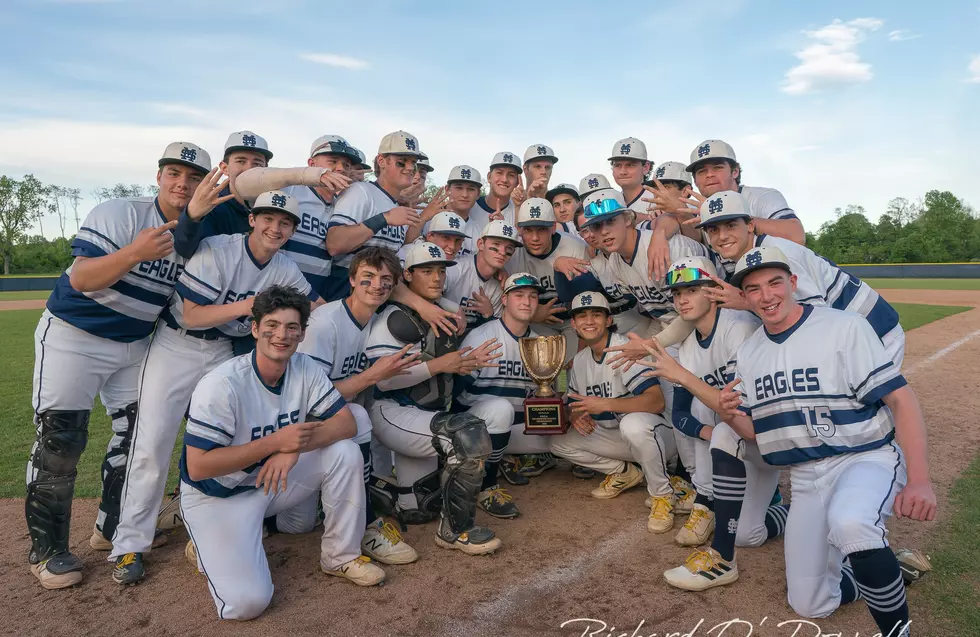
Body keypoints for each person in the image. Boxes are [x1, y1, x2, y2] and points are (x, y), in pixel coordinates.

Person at [697, 246, 934, 636]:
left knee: (851, 523)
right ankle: (889, 568)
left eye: (775, 282)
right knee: (810, 603)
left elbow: (900, 399)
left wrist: (920, 481)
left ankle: (897, 631)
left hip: (866, 458)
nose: (767, 295)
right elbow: (758, 433)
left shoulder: (843, 326)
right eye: (754, 288)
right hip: (806, 478)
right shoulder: (751, 352)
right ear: (745, 297)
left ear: (793, 283)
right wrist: (728, 414)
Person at [110, 190, 319, 584]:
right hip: (178, 347)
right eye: (268, 218)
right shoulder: (219, 248)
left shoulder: (286, 267)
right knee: (152, 443)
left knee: (231, 443)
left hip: (226, 352)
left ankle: (219, 525)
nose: (276, 227)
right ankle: (129, 546)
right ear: (252, 220)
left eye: (285, 222)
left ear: (292, 229)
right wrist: (249, 306)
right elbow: (191, 315)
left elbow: (317, 309)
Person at [26, 141, 209, 589]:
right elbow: (83, 277)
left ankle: (110, 528)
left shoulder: (196, 235)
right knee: (61, 440)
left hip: (133, 345)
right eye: (174, 173)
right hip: (75, 336)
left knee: (137, 438)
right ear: (159, 176)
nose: (182, 183)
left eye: (194, 177)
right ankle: (47, 551)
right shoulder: (120, 213)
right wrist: (134, 253)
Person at [181, 286, 385, 620]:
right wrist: (277, 443)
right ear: (256, 328)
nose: (282, 334)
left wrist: (292, 447)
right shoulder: (222, 383)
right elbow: (199, 466)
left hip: (267, 482)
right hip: (218, 496)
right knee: (248, 604)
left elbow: (346, 424)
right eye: (272, 325)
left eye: (292, 327)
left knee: (345, 452)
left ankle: (340, 556)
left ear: (303, 334)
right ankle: (205, 542)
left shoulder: (304, 367)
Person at [636, 257, 789, 588]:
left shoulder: (738, 327)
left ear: (712, 291)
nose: (683, 300)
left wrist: (683, 377)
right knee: (748, 535)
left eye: (692, 289)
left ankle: (710, 509)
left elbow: (737, 406)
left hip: (766, 435)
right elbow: (679, 416)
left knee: (718, 415)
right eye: (677, 294)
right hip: (729, 439)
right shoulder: (687, 342)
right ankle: (778, 509)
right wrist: (707, 433)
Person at [364, 242, 504, 555]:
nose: (436, 277)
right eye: (427, 270)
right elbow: (382, 382)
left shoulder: (449, 311)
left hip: (426, 415)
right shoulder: (392, 318)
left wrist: (466, 360)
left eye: (441, 270)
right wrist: (442, 364)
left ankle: (381, 488)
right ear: (408, 276)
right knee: (467, 435)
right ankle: (455, 531)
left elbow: (454, 329)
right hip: (393, 413)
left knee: (419, 509)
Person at [296, 247, 421, 566]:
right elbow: (310, 399)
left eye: (385, 280)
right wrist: (371, 376)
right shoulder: (325, 322)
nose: (376, 285)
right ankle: (218, 527)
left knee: (359, 417)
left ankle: (364, 522)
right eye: (367, 277)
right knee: (295, 524)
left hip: (339, 427)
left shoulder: (379, 321)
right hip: (300, 428)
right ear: (351, 279)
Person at [695, 191, 904, 366]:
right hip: (848, 331)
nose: (722, 236)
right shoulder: (747, 256)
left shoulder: (778, 253)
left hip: (874, 331)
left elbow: (814, 319)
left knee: (860, 409)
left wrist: (745, 302)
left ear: (750, 225)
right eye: (713, 230)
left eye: (730, 225)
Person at [550, 293, 678, 534]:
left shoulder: (625, 349)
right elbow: (575, 404)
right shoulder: (579, 361)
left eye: (596, 315)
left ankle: (663, 495)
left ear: (608, 320)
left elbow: (656, 402)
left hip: (660, 436)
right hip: (620, 437)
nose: (589, 321)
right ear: (574, 324)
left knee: (634, 424)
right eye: (582, 316)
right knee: (558, 442)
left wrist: (605, 404)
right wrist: (574, 415)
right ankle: (624, 472)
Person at [454, 273, 555, 518]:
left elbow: (538, 395)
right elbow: (456, 393)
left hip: (510, 428)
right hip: (473, 427)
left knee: (561, 436)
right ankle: (486, 486)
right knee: (500, 409)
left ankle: (503, 459)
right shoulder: (482, 336)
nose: (526, 301)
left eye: (533, 297)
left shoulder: (539, 343)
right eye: (519, 295)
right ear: (505, 299)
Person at [217, 134, 356, 302]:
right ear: (312, 164)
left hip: (314, 294)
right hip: (270, 290)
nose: (340, 168)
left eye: (346, 165)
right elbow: (243, 182)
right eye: (333, 161)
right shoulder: (290, 189)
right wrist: (311, 175)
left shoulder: (344, 206)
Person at [324, 131, 425, 301]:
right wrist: (384, 218)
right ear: (382, 161)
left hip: (378, 299)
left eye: (413, 163)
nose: (409, 168)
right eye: (401, 162)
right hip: (343, 297)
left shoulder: (398, 206)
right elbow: (334, 243)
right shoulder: (361, 191)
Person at [172, 131, 273, 258]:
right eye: (241, 161)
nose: (249, 169)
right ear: (225, 168)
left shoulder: (273, 204)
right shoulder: (212, 204)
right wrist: (193, 217)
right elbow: (186, 250)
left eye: (257, 163)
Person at [686, 139, 803, 244]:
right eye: (702, 171)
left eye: (718, 167)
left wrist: (724, 214)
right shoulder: (695, 209)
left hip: (774, 266)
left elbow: (797, 236)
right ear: (695, 181)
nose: (709, 174)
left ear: (735, 171)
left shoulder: (761, 197)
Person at [443, 220, 521, 330]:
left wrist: (488, 315)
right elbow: (427, 296)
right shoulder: (456, 267)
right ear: (480, 244)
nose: (502, 252)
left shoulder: (502, 285)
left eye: (509, 248)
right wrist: (454, 308)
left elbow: (497, 331)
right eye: (496, 245)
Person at [469, 151, 523, 228]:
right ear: (489, 177)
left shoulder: (520, 211)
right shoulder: (470, 207)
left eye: (511, 175)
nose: (504, 179)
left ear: (517, 182)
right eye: (499, 173)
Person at [609, 137, 653, 220]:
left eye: (630, 165)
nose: (623, 172)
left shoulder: (658, 199)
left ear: (646, 167)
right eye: (617, 165)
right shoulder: (611, 202)